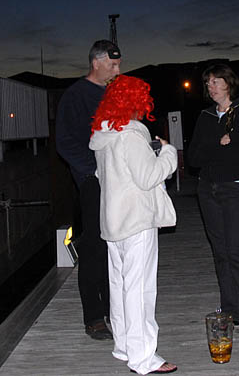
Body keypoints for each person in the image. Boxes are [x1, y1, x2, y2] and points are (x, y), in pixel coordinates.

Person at [89, 75, 178, 375]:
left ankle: (125, 346)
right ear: (136, 102)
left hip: (113, 221)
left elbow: (105, 178)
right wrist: (167, 152)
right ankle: (143, 358)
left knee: (119, 285)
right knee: (140, 289)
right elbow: (148, 177)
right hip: (137, 220)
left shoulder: (103, 136)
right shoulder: (131, 134)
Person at [188, 63, 239, 337]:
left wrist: (221, 145)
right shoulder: (205, 116)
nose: (210, 87)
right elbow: (193, 159)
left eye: (215, 81)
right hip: (207, 190)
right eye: (207, 83)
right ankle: (231, 309)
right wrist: (218, 143)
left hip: (235, 188)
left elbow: (237, 151)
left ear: (228, 84)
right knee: (220, 253)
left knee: (236, 252)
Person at [55, 39, 122, 340]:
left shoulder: (113, 93)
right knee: (94, 246)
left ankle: (113, 309)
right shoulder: (75, 96)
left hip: (119, 179)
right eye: (113, 64)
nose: (117, 69)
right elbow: (65, 142)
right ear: (96, 63)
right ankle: (93, 316)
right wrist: (92, 170)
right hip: (92, 181)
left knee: (115, 245)